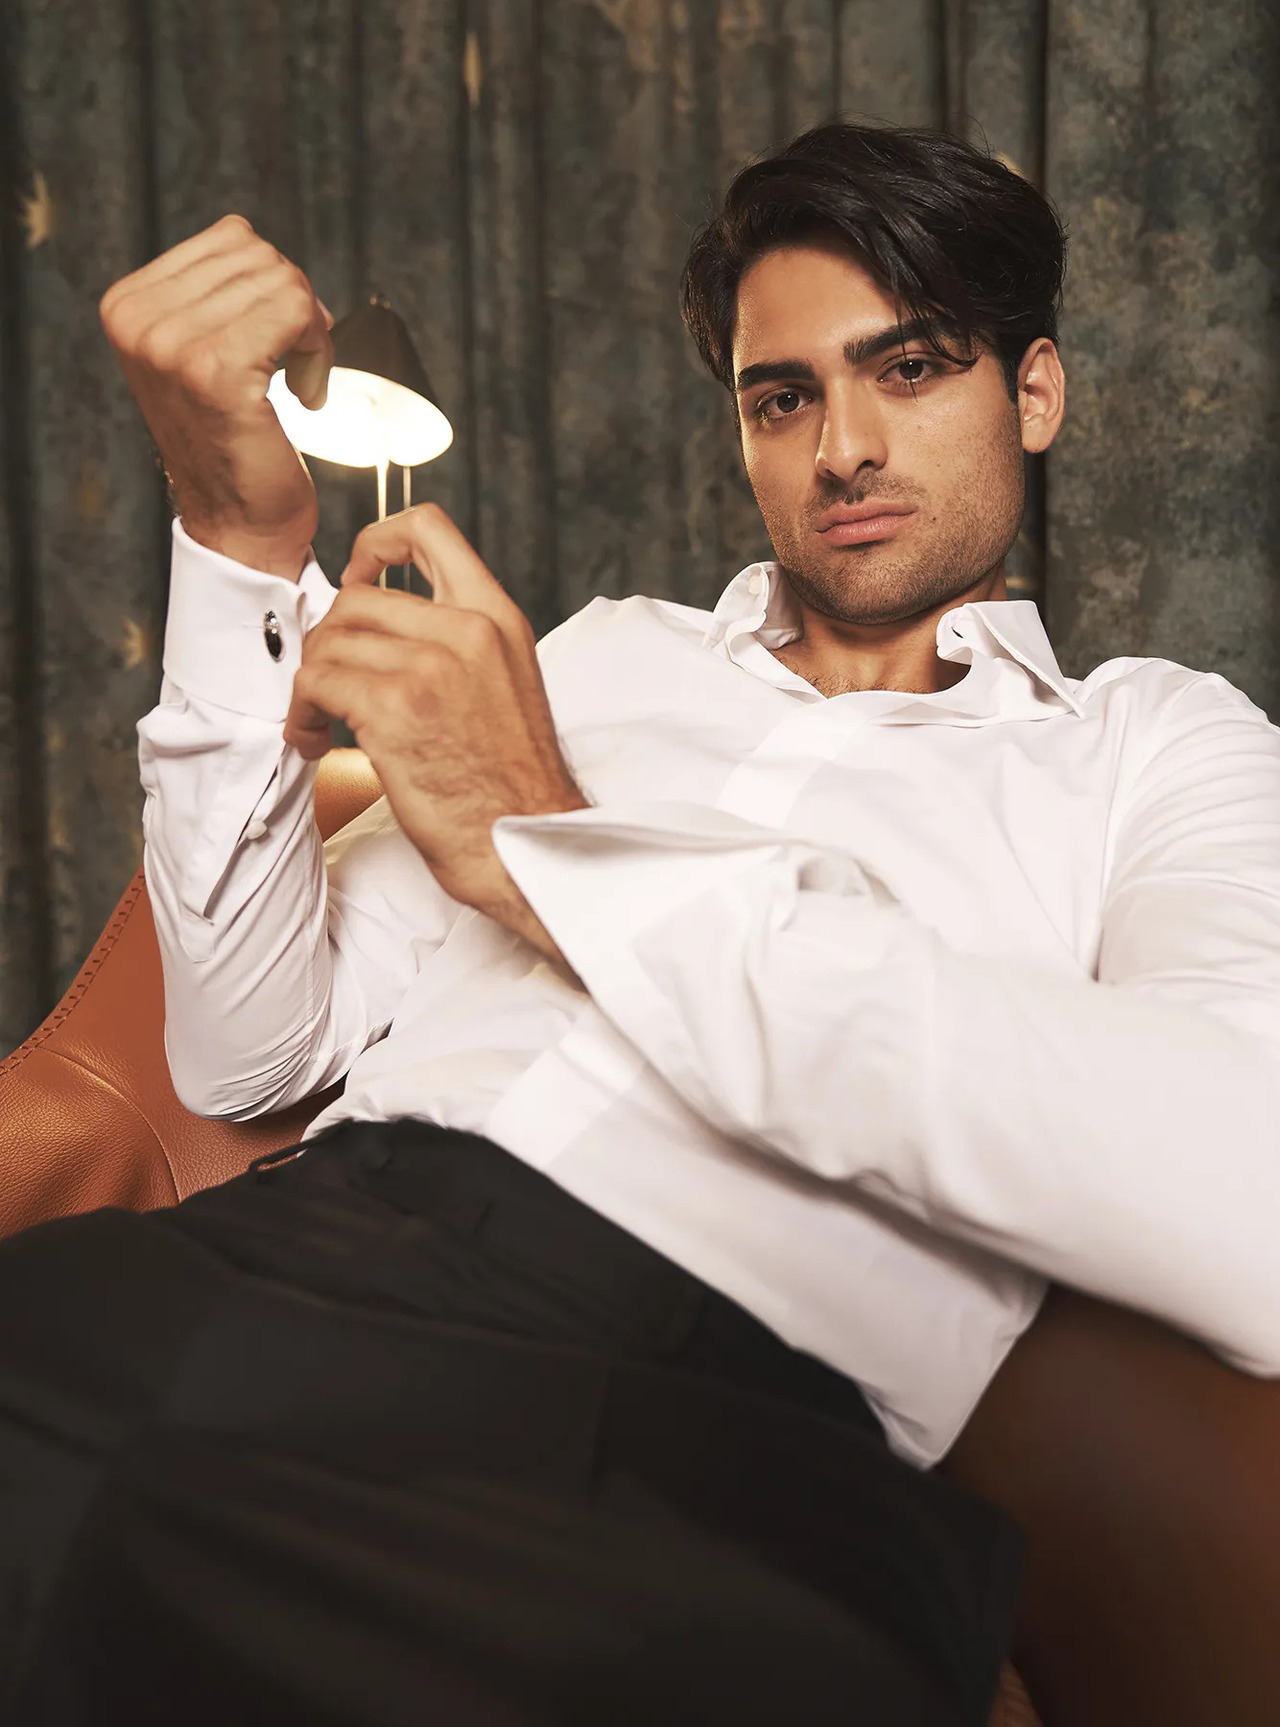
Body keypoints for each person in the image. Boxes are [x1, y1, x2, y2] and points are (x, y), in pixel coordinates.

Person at [2, 124, 1278, 1725]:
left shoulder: (1155, 746)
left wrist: (550, 846)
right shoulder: (594, 660)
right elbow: (247, 1056)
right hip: (290, 1261)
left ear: (1035, 392)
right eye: (783, 397)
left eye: (911, 368)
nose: (845, 449)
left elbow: (1247, 1194)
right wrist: (238, 545)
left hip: (728, 1428)